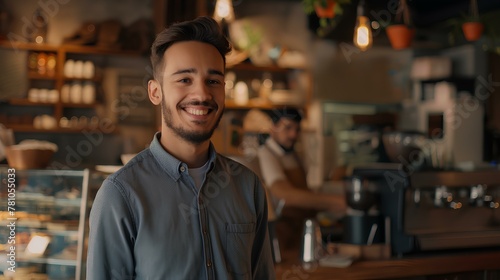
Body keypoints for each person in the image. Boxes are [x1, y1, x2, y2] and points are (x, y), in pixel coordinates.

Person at [87, 16, 275, 280]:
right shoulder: (121, 195)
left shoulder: (249, 186)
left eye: (213, 81)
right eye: (184, 79)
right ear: (155, 92)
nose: (202, 95)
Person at [257, 107, 346, 250]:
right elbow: (285, 194)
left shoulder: (295, 155)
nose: (293, 134)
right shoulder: (266, 154)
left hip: (303, 229)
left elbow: (304, 190)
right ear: (273, 127)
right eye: (288, 128)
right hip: (282, 234)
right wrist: (333, 201)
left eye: (297, 129)